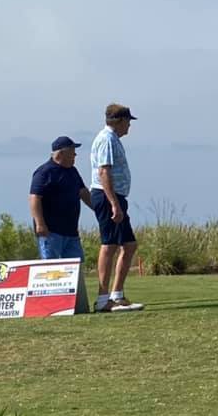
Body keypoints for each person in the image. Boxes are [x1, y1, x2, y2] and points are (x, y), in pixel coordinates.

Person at [89, 103, 143, 313]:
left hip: (116, 197)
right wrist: (114, 203)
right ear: (120, 121)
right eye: (128, 121)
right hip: (107, 197)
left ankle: (117, 295)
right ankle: (103, 299)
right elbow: (104, 172)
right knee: (109, 244)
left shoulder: (113, 139)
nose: (129, 125)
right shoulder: (107, 139)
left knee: (129, 245)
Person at [29, 136, 93, 260]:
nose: (75, 155)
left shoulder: (72, 171)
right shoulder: (44, 172)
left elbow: (83, 192)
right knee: (50, 268)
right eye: (72, 152)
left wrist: (99, 209)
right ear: (61, 153)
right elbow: (34, 198)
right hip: (51, 232)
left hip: (71, 232)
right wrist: (40, 224)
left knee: (75, 266)